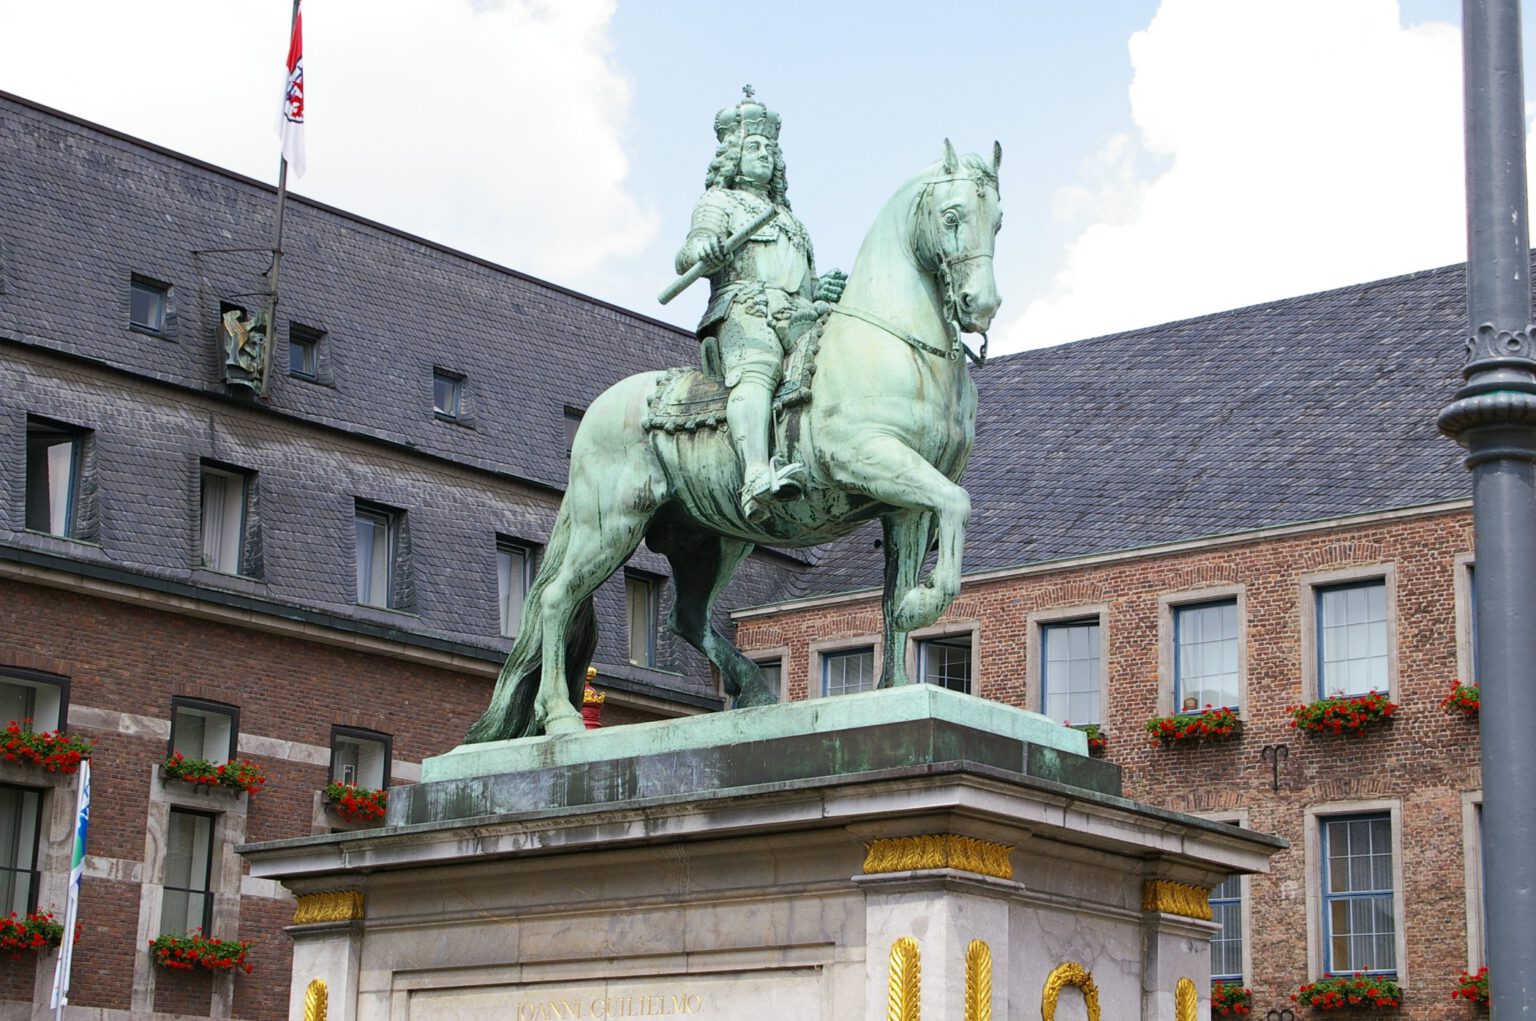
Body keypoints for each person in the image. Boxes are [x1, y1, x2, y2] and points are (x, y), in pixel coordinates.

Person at [676, 88, 845, 523]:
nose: (765, 154)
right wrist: (705, 249)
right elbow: (689, 252)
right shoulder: (719, 202)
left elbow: (803, 284)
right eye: (754, 147)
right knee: (761, 367)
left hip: (798, 315)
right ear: (733, 155)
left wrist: (820, 290)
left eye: (771, 148)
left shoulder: (792, 221)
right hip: (743, 310)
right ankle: (755, 476)